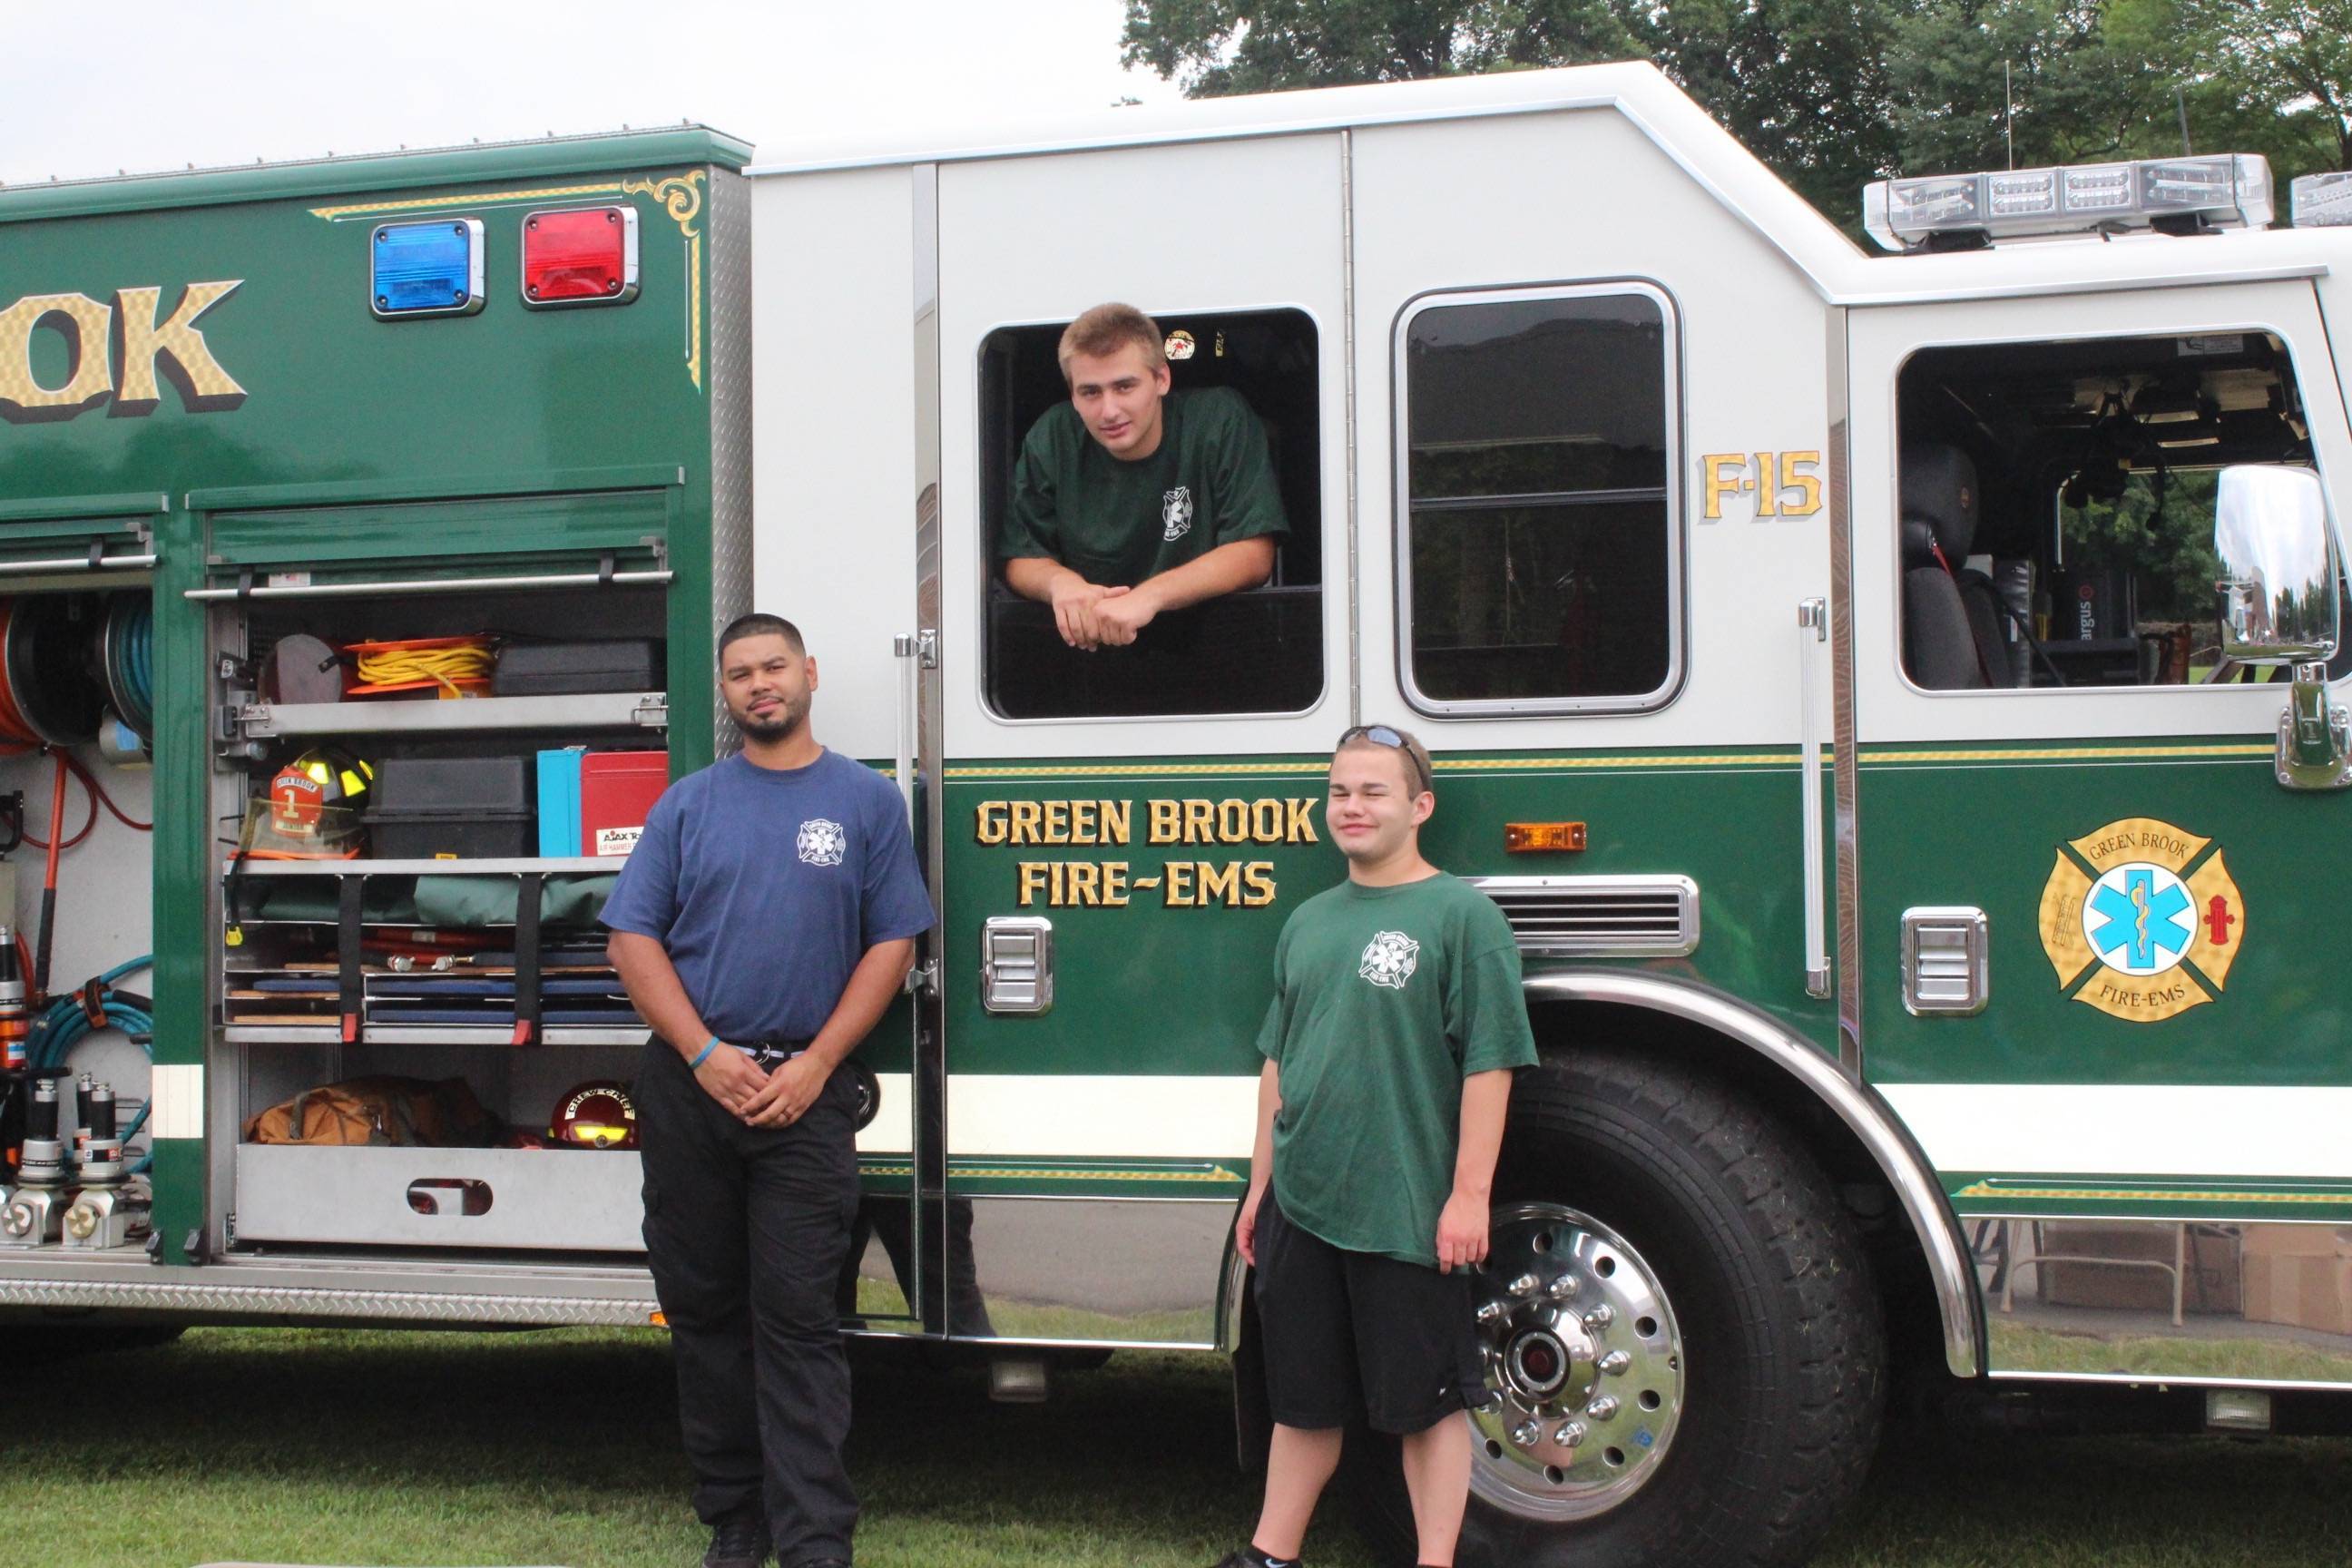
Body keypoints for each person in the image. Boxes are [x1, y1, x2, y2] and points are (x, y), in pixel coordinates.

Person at [603, 612, 934, 1568]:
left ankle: (815, 1535)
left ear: (809, 673)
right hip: (692, 1088)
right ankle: (735, 1515)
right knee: (705, 1314)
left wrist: (819, 1063)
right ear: (727, 690)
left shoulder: (867, 802)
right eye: (741, 672)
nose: (760, 684)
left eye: (774, 666)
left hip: (805, 1095)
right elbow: (632, 940)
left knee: (799, 1320)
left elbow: (893, 944)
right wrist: (705, 1053)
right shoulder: (689, 806)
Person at [1215, 723, 1536, 1568]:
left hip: (1406, 1209)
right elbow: (1278, 1065)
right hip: (1302, 1205)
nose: (1350, 807)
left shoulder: (1463, 918)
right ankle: (1271, 1556)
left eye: (1372, 792)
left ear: (1420, 807)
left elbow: (1491, 1063)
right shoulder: (1308, 921)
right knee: (1302, 1403)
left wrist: (1468, 1197)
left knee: (1427, 1409)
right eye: (1338, 792)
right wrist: (1262, 1190)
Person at [998, 301, 1289, 651]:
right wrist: (1061, 584)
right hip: (1088, 655)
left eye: (1124, 387)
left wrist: (1148, 597)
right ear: (1072, 396)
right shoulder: (1052, 437)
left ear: (1162, 379)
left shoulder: (1219, 420)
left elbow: (1254, 554)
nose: (1109, 410)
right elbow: (1020, 556)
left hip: (1218, 649)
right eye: (1090, 392)